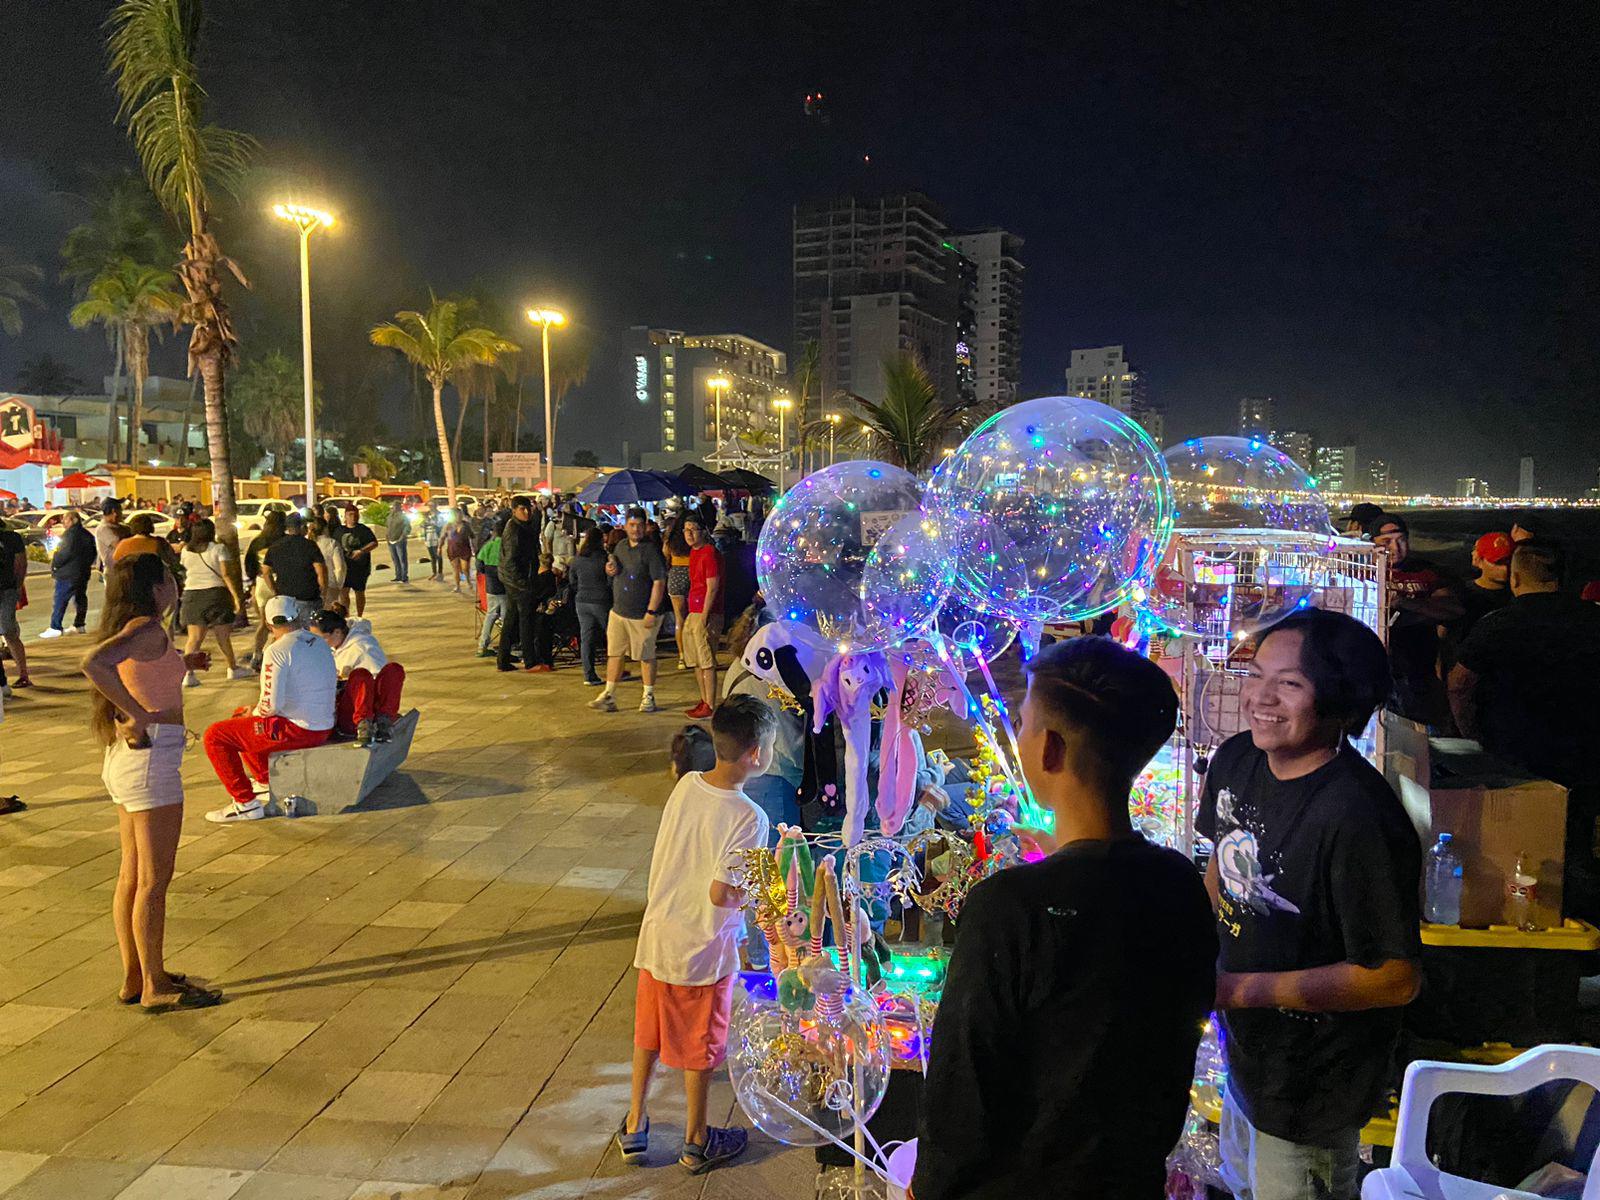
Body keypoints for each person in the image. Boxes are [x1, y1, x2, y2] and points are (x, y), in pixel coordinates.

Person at [913, 638, 1216, 1199]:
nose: (1020, 735)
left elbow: (963, 1094)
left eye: (1024, 723)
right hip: (1129, 1180)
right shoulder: (1179, 885)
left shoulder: (1009, 907)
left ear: (1050, 748)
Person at [1198, 609, 1421, 1200]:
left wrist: (1240, 990)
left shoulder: (1357, 816)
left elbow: (1393, 977)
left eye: (1290, 684)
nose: (1260, 699)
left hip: (1312, 1084)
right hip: (1247, 1058)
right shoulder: (1236, 760)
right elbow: (1222, 860)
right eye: (1256, 674)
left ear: (1342, 701)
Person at [616, 695, 776, 1174]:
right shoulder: (750, 817)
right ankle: (697, 1139)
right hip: (702, 948)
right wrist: (758, 894)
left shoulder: (686, 785)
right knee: (702, 1045)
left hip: (659, 934)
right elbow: (722, 895)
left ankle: (634, 1123)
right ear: (755, 754)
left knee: (649, 1032)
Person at [81, 555, 222, 1011]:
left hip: (130, 761)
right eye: (169, 577)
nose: (176, 584)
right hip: (151, 762)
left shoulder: (143, 631)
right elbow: (94, 663)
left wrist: (182, 662)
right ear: (156, 587)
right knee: (153, 882)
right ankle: (156, 986)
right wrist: (138, 716)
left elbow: (139, 672)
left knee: (132, 877)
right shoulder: (146, 628)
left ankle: (135, 976)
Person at [1449, 541, 1600, 790]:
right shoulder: (1592, 617)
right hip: (1585, 746)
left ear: (1515, 578)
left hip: (1514, 750)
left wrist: (1471, 734)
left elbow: (1459, 684)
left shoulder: (1497, 624)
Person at [201, 595, 337, 823]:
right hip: (322, 723)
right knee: (241, 719)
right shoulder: (317, 642)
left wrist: (253, 712)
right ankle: (264, 782)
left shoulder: (277, 650)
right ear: (297, 616)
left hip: (299, 729)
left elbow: (270, 705)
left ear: (268, 623)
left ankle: (245, 803)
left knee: (216, 735)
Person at [1371, 514, 1462, 726]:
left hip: (1418, 671)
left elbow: (1452, 608)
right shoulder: (1361, 572)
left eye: (1401, 540)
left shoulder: (1427, 572)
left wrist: (1406, 603)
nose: (1395, 547)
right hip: (1376, 667)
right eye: (1386, 542)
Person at [590, 507, 668, 713]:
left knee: (646, 655)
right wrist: (610, 570)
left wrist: (651, 611)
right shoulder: (621, 547)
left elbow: (659, 582)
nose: (636, 529)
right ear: (625, 526)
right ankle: (609, 694)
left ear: (645, 526)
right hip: (619, 611)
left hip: (642, 613)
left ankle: (648, 695)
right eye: (632, 525)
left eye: (640, 525)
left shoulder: (651, 551)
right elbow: (615, 571)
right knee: (614, 653)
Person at [310, 609, 406, 746]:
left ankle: (377, 722)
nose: (316, 642)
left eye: (321, 638)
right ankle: (370, 722)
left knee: (388, 671)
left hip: (357, 710)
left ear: (337, 632)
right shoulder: (331, 646)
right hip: (339, 709)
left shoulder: (362, 648)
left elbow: (380, 683)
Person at [178, 518, 251, 686]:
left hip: (192, 595)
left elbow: (185, 570)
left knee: (194, 638)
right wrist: (235, 596)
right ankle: (233, 668)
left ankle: (188, 674)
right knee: (223, 636)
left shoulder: (186, 551)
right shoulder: (219, 549)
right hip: (216, 594)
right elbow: (225, 574)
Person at [681, 515, 722, 719]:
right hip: (694, 609)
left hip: (706, 612)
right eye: (686, 530)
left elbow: (712, 586)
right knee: (696, 660)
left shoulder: (709, 553)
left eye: (693, 529)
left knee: (706, 660)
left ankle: (710, 704)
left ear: (702, 531)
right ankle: (704, 699)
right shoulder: (694, 552)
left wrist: (705, 614)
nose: (689, 534)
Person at [497, 496, 540, 673]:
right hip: (517, 582)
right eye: (522, 509)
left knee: (511, 620)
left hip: (515, 581)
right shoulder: (514, 529)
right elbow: (510, 561)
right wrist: (523, 584)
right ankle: (530, 661)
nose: (527, 512)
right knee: (525, 620)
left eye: (528, 508)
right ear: (514, 510)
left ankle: (503, 659)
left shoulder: (523, 527)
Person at [263, 512, 327, 626]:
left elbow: (266, 572)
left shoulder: (275, 547)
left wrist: (274, 590)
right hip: (308, 597)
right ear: (302, 527)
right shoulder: (309, 545)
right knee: (310, 635)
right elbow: (320, 570)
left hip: (285, 599)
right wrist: (323, 591)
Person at [42, 508, 96, 638]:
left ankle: (55, 626)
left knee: (61, 599)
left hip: (68, 573)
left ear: (73, 520)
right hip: (82, 572)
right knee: (80, 598)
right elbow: (93, 553)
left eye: (65, 519)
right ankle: (79, 624)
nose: (63, 522)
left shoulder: (69, 535)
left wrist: (55, 564)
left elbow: (63, 553)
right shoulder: (87, 535)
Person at [568, 528, 612, 685]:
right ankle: (614, 670)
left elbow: (572, 581)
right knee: (611, 636)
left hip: (582, 601)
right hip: (601, 600)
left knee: (586, 638)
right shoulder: (603, 558)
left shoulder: (578, 559)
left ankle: (589, 674)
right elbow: (610, 580)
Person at [244, 510, 285, 668]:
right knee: (281, 622)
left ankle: (257, 654)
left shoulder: (258, 541)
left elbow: (249, 563)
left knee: (263, 622)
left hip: (261, 583)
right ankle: (272, 654)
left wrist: (253, 581)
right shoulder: (283, 541)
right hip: (279, 583)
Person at [0, 512, 30, 689]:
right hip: (9, 589)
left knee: (8, 631)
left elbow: (21, 564)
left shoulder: (12, 539)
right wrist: (18, 586)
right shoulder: (13, 538)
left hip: (7, 589)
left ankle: (20, 676)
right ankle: (22, 675)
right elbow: (21, 564)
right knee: (9, 632)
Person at [664, 517, 693, 671]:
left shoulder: (670, 541)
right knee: (693, 617)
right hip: (692, 574)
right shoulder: (692, 538)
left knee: (679, 619)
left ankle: (682, 656)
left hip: (675, 576)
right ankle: (693, 653)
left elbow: (665, 555)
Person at [339, 505, 378, 616]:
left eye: (356, 514)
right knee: (344, 592)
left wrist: (361, 551)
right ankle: (346, 615)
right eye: (350, 514)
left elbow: (374, 543)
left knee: (359, 592)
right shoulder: (340, 530)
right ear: (345, 516)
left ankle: (359, 615)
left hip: (360, 568)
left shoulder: (364, 530)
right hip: (345, 567)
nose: (353, 517)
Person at [523, 553, 560, 672]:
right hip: (549, 611)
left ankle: (541, 659)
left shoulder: (542, 578)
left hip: (542, 612)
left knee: (540, 635)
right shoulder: (552, 577)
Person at [476, 518, 506, 658]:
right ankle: (507, 647)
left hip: (491, 585)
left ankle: (482, 646)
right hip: (505, 586)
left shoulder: (488, 546)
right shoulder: (506, 545)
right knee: (506, 618)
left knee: (490, 615)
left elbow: (479, 565)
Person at [311, 514, 346, 608]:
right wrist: (338, 584)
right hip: (330, 584)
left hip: (311, 585)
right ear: (325, 527)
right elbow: (340, 567)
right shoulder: (332, 543)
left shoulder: (308, 543)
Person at [94, 497, 131, 577]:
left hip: (126, 570)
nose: (121, 513)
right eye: (120, 510)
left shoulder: (122, 527)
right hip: (115, 572)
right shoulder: (103, 529)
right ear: (114, 512)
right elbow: (120, 547)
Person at [444, 506, 475, 592]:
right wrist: (439, 546)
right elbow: (443, 536)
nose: (459, 516)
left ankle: (468, 581)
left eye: (460, 514)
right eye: (456, 515)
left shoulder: (466, 525)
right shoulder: (449, 525)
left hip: (464, 549)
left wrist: (474, 548)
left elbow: (472, 536)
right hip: (452, 549)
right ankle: (457, 586)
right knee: (455, 568)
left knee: (465, 568)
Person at [385, 502, 411, 583]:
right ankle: (398, 576)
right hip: (391, 541)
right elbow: (387, 527)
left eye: (396, 506)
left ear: (400, 507)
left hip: (399, 541)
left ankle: (404, 576)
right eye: (393, 506)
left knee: (402, 559)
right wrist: (387, 538)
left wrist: (402, 537)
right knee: (395, 560)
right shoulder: (390, 517)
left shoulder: (403, 516)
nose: (394, 508)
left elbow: (407, 528)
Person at [424, 504, 444, 580]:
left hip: (436, 537)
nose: (430, 507)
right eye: (429, 506)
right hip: (428, 537)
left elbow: (440, 525)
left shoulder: (439, 515)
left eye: (432, 506)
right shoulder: (427, 514)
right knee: (432, 556)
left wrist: (432, 522)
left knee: (438, 556)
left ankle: (440, 573)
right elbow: (423, 524)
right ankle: (434, 572)